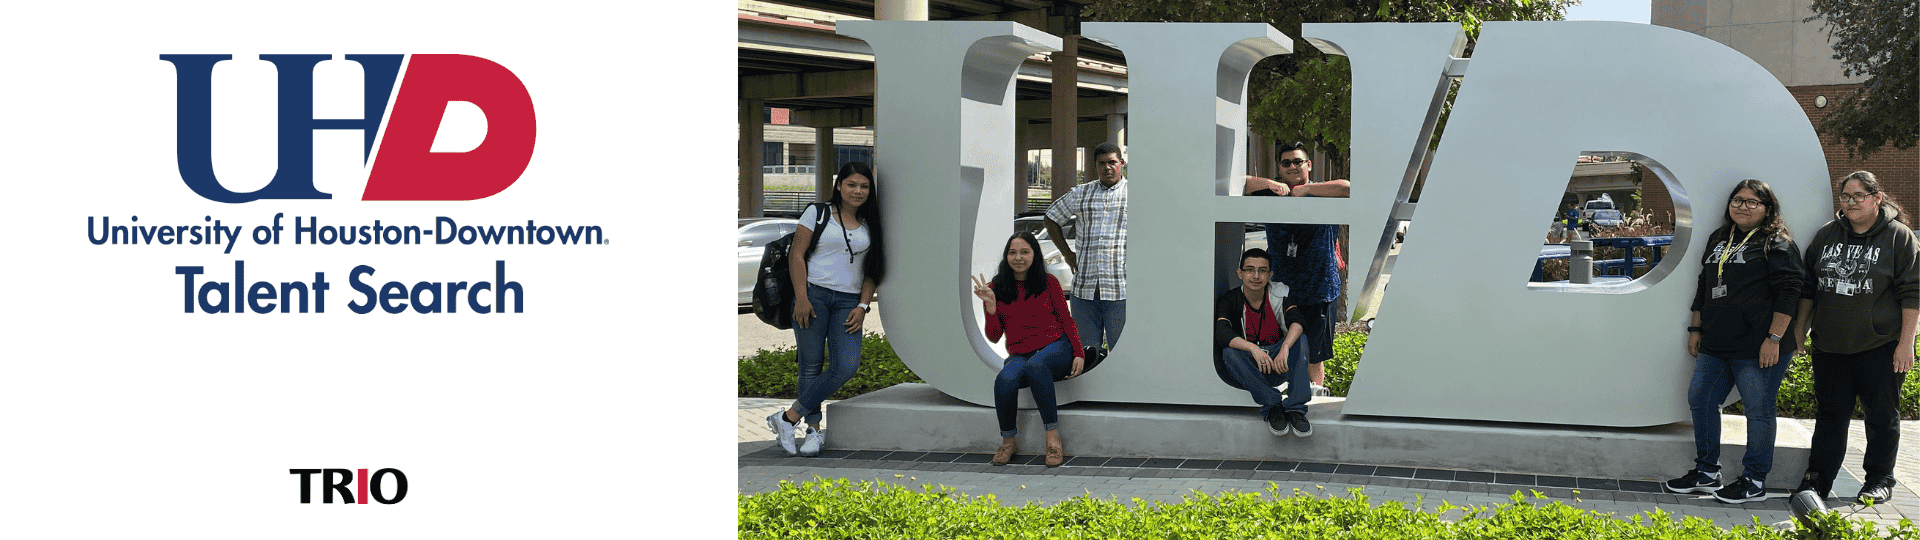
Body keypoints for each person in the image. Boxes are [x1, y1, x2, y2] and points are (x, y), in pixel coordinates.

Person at [1663, 179, 1803, 504]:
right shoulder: (1719, 237)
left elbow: (1789, 295)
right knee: (1701, 399)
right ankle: (1707, 472)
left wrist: (1774, 339)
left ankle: (1754, 480)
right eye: (1737, 200)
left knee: (1758, 411)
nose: (1743, 206)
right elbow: (1705, 281)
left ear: (1768, 209)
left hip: (1759, 347)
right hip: (1716, 341)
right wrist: (1695, 328)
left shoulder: (1776, 243)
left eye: (1753, 202)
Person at [1792, 171, 1919, 504]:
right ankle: (1817, 479)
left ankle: (1879, 479)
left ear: (1876, 198)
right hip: (1830, 346)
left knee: (1880, 417)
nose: (1849, 202)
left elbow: (1912, 294)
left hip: (1880, 347)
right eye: (1845, 196)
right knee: (1830, 416)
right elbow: (1809, 287)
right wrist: (1799, 331)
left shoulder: (1899, 238)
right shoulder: (1826, 235)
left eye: (1857, 196)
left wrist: (1907, 344)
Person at [767, 161, 888, 457]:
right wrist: (802, 297)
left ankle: (787, 418)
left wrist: (862, 305)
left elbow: (873, 269)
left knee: (845, 366)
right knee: (810, 365)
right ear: (839, 186)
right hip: (814, 296)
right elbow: (797, 255)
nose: (857, 191)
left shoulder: (871, 221)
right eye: (851, 185)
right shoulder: (817, 213)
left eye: (864, 186)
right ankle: (813, 432)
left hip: (848, 303)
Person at [972, 232, 1085, 467]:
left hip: (1056, 347)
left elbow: (1067, 320)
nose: (1018, 258)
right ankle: (1008, 441)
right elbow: (993, 337)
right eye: (1012, 252)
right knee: (1005, 379)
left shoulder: (1049, 282)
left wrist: (1078, 352)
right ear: (1006, 256)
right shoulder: (996, 288)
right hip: (1021, 353)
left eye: (1025, 252)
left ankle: (1053, 437)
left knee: (1037, 365)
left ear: (1035, 255)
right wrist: (991, 305)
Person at [1245, 141, 1349, 396]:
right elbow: (1241, 182)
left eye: (1298, 161)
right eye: (1286, 163)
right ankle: (1288, 395)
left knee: (1316, 351)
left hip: (1320, 287)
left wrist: (1306, 189)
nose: (1292, 167)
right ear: (1280, 167)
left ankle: (1314, 394)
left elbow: (1348, 188)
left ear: (1309, 165)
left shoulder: (1323, 192)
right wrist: (1270, 184)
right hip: (1282, 288)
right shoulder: (1272, 194)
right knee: (1282, 346)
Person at [1213, 248, 1312, 437]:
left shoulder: (1280, 293)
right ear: (1239, 273)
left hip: (1277, 363)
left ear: (1270, 274)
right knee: (1229, 352)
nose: (1256, 276)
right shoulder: (1229, 299)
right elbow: (1222, 333)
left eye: (1263, 270)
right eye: (1249, 270)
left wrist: (1284, 348)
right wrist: (1253, 349)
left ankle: (1296, 409)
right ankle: (1273, 405)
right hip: (1250, 368)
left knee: (1300, 339)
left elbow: (1298, 321)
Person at [1044, 142, 1128, 351]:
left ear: (1122, 164)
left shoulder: (1136, 195)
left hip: (1121, 289)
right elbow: (1051, 217)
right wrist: (1067, 254)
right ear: (1095, 166)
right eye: (1102, 163)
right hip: (1084, 289)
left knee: (1121, 352)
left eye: (1112, 162)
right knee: (1086, 352)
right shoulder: (1081, 193)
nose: (1107, 167)